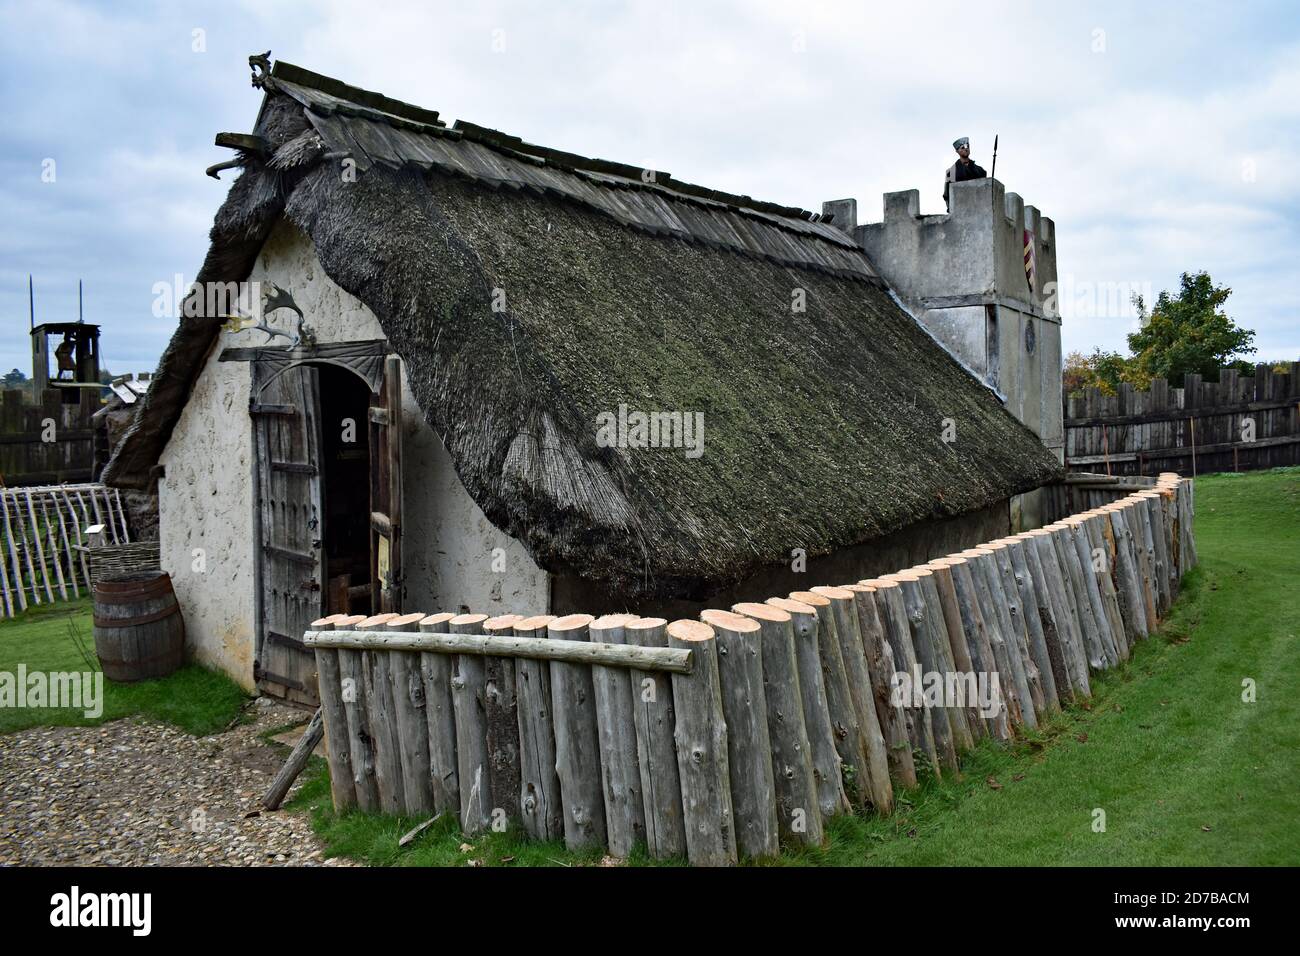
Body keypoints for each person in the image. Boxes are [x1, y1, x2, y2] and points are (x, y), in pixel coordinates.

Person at [943, 136, 987, 208]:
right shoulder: (951, 172)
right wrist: (950, 210)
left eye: (967, 146)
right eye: (962, 147)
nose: (966, 149)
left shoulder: (980, 170)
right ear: (957, 151)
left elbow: (985, 191)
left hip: (978, 207)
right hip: (959, 208)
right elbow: (947, 195)